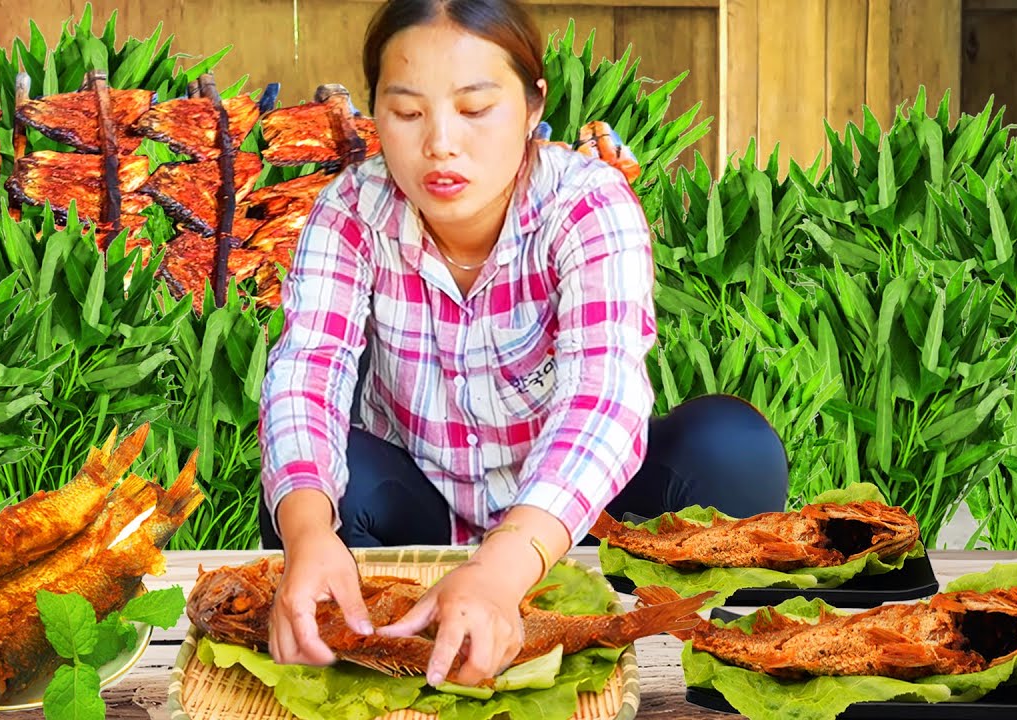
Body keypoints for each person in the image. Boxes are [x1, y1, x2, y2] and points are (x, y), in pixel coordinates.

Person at [256, 0, 789, 691]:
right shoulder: (351, 213)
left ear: (534, 104)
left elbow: (604, 396)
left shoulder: (586, 202)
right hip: (422, 512)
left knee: (731, 449)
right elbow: (306, 370)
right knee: (312, 491)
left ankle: (705, 671)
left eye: (475, 109)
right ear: (376, 114)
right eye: (408, 113)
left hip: (579, 521)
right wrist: (306, 534)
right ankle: (389, 647)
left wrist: (503, 568)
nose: (440, 144)